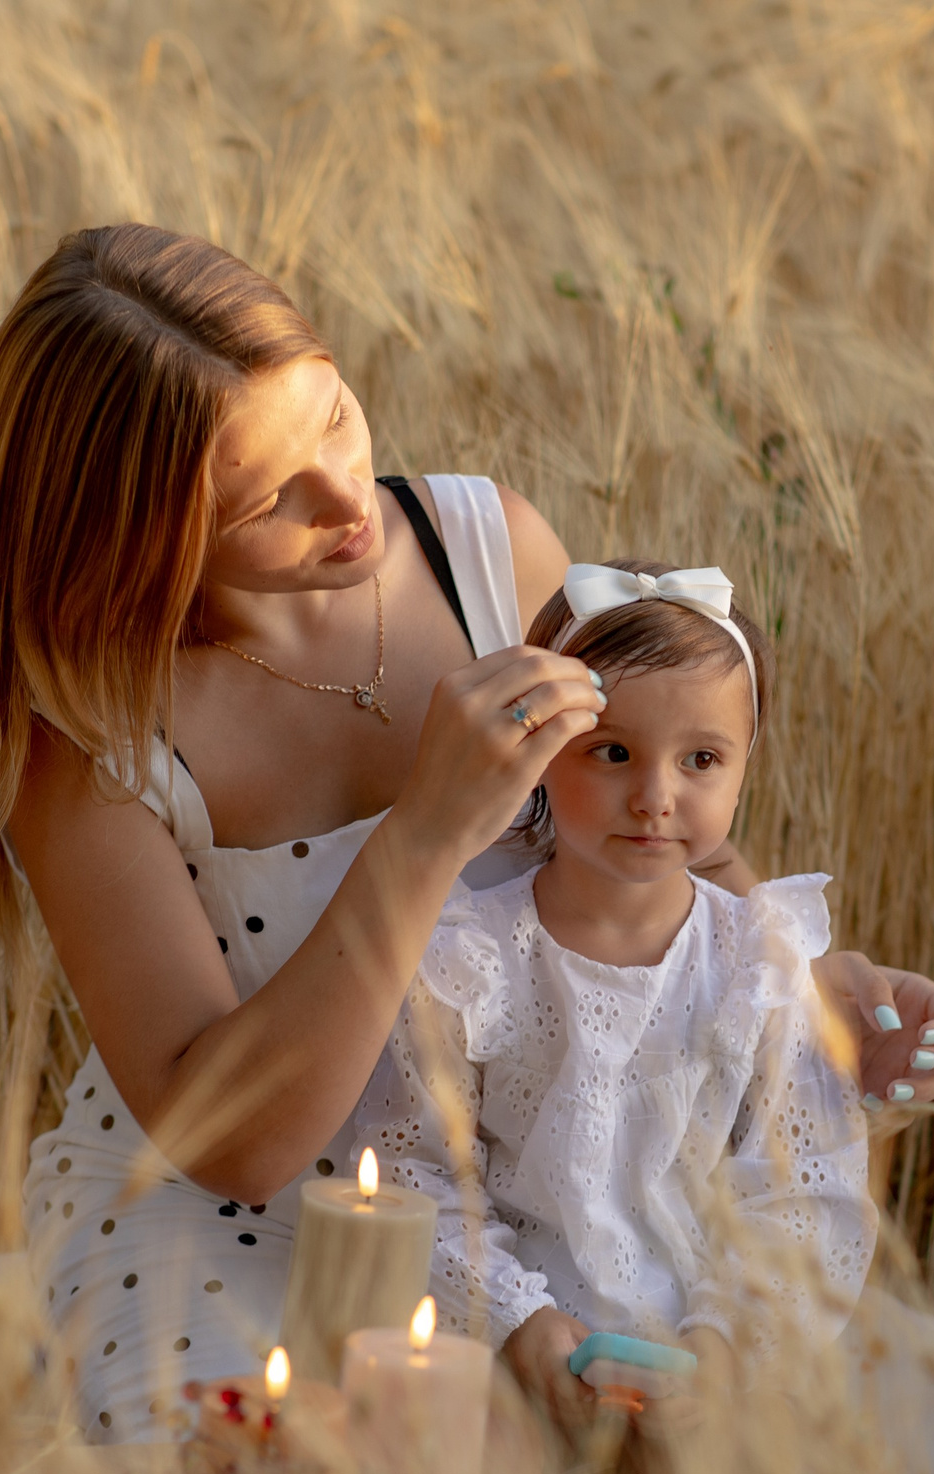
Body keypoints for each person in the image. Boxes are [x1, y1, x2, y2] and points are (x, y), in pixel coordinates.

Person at [0, 225, 934, 1443]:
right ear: (136, 538)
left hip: (512, 1198)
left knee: (662, 1473)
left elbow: (648, 834)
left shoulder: (482, 552)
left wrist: (801, 987)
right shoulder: (88, 738)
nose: (345, 496)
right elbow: (232, 1149)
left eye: (336, 417)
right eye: (268, 500)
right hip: (221, 1225)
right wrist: (423, 836)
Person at [338, 561, 874, 1430]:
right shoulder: (471, 957)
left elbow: (804, 1186)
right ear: (543, 752)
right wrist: (521, 1321)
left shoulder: (758, 963)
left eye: (702, 758)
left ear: (746, 766)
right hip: (519, 1339)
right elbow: (414, 1169)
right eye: (613, 752)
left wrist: (724, 1346)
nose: (656, 797)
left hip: (711, 1356)